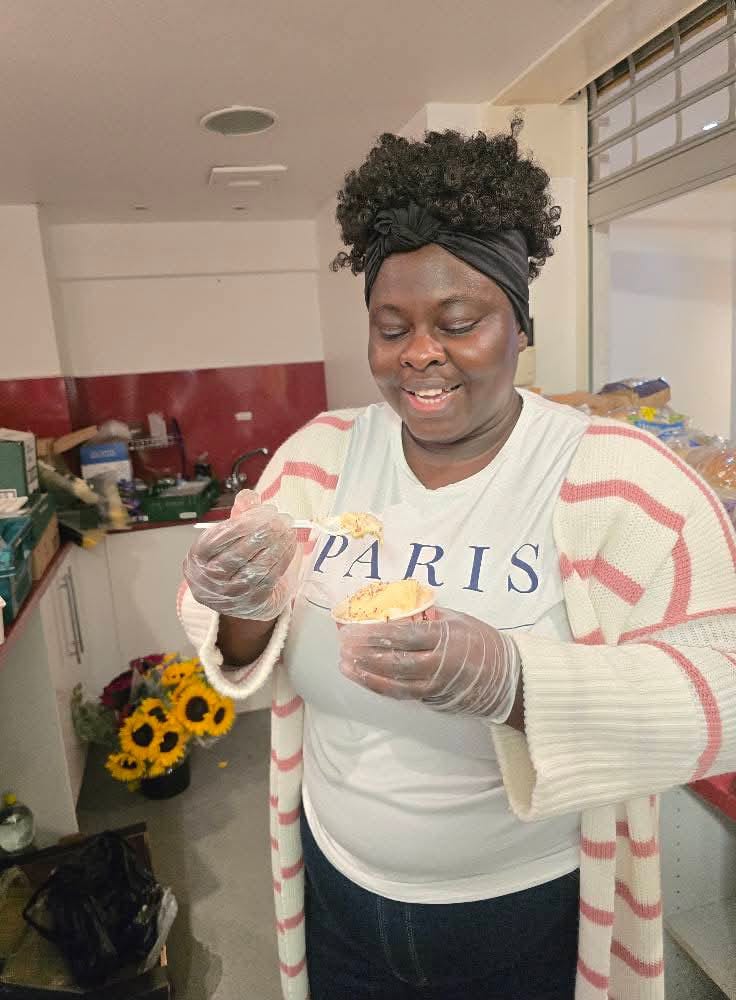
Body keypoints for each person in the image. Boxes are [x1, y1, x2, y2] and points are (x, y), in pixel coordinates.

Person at [179, 121, 736, 1000]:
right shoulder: (319, 457)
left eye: (459, 321)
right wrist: (238, 594)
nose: (420, 354)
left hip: (531, 913)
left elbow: (725, 691)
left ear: (520, 322)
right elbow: (246, 642)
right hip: (339, 892)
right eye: (390, 326)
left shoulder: (628, 486)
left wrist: (514, 681)